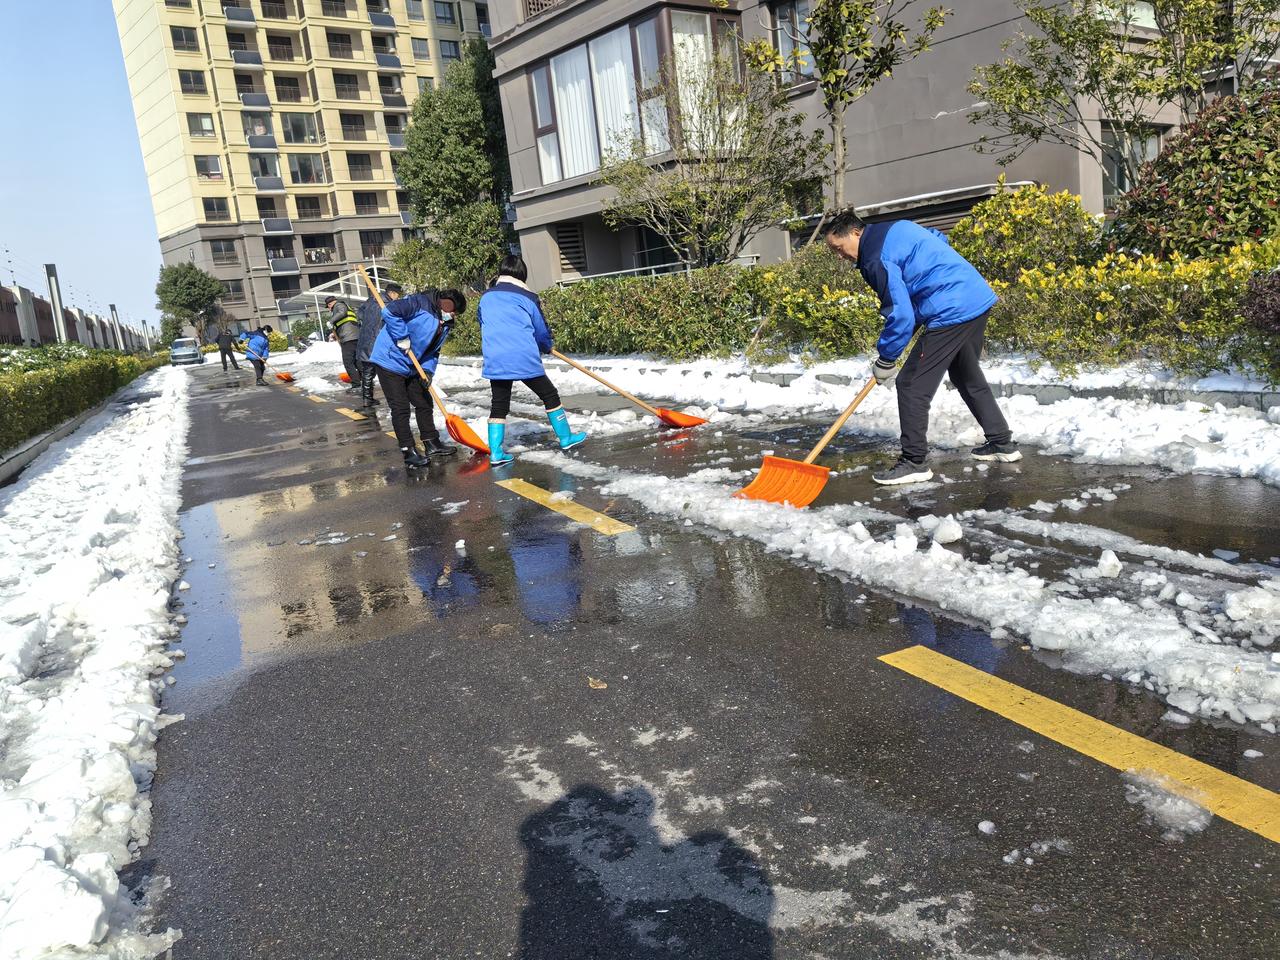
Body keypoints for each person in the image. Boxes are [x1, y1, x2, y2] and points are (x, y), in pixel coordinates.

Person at [824, 210, 1019, 486]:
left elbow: (900, 313)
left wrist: (887, 358)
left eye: (838, 248)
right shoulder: (896, 228)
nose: (839, 256)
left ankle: (914, 462)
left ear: (855, 233)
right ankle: (1001, 443)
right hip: (974, 296)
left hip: (950, 309)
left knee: (911, 385)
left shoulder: (874, 257)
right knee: (965, 374)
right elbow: (938, 238)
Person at [478, 255, 586, 466]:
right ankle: (565, 438)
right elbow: (540, 329)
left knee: (499, 404)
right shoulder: (528, 296)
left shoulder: (486, 297)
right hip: (522, 356)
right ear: (522, 273)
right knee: (549, 394)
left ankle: (497, 453)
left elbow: (483, 322)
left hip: (496, 358)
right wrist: (546, 346)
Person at [369, 287, 467, 468]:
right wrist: (402, 337)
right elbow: (390, 311)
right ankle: (408, 451)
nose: (454, 315)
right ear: (446, 304)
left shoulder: (444, 324)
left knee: (423, 402)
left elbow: (433, 351)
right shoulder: (418, 303)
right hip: (389, 360)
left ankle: (431, 442)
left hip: (413, 365)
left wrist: (428, 371)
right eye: (453, 311)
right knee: (401, 407)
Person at [354, 282, 401, 408]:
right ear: (392, 293)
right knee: (387, 371)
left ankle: (367, 399)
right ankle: (395, 398)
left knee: (367, 372)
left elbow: (359, 313)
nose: (398, 297)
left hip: (364, 339)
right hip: (377, 342)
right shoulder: (388, 305)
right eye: (398, 295)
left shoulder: (370, 300)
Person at [325, 295, 360, 388]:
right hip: (354, 336)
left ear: (330, 303)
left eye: (328, 306)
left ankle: (356, 384)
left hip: (348, 338)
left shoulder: (339, 305)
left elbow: (342, 312)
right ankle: (366, 382)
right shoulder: (343, 306)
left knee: (348, 362)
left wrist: (331, 321)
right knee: (356, 361)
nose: (329, 308)